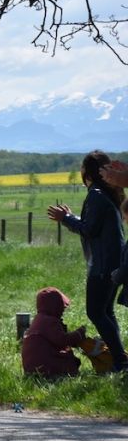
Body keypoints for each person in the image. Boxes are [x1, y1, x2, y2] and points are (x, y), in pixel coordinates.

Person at [47, 150, 128, 372]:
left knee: (95, 312)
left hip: (102, 266)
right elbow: (95, 226)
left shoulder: (96, 195)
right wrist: (72, 217)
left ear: (86, 171)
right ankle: (118, 357)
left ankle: (120, 361)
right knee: (106, 312)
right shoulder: (108, 194)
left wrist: (66, 219)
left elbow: (89, 230)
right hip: (114, 262)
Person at [22, 287, 86, 378]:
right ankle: (64, 374)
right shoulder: (50, 321)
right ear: (55, 307)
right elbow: (62, 340)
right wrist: (79, 334)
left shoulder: (39, 319)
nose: (63, 310)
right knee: (70, 360)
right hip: (44, 367)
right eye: (61, 307)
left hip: (32, 366)